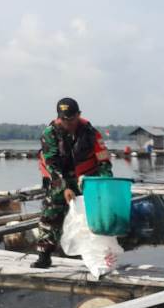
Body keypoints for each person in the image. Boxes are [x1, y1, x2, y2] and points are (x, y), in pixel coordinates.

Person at [32, 98, 112, 269]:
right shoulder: (50, 133)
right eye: (64, 119)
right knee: (51, 213)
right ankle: (44, 256)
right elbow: (52, 163)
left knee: (94, 217)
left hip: (86, 178)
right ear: (59, 117)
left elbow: (103, 159)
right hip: (59, 179)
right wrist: (64, 187)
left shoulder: (91, 133)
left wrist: (106, 184)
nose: (67, 123)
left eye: (71, 119)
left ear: (79, 115)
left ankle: (98, 257)